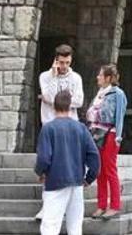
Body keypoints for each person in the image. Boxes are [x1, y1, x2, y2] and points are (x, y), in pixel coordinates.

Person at [35, 90, 100, 235]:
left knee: (50, 226)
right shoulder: (81, 128)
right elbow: (94, 157)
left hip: (55, 182)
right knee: (75, 227)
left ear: (54, 106)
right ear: (70, 107)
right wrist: (89, 179)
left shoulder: (48, 128)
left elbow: (44, 158)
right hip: (77, 183)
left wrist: (40, 172)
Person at [86, 64, 127, 219]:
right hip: (96, 134)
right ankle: (101, 205)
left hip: (110, 134)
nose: (98, 77)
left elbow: (118, 116)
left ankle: (115, 205)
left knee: (110, 169)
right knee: (100, 170)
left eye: (100, 75)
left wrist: (118, 135)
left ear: (108, 78)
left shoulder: (118, 94)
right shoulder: (99, 94)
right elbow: (90, 112)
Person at [39, 44, 84, 127]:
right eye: (62, 62)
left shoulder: (76, 77)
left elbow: (79, 101)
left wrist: (56, 102)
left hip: (71, 124)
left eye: (68, 62)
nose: (65, 66)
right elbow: (49, 97)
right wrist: (53, 77)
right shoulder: (44, 76)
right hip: (50, 124)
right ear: (55, 61)